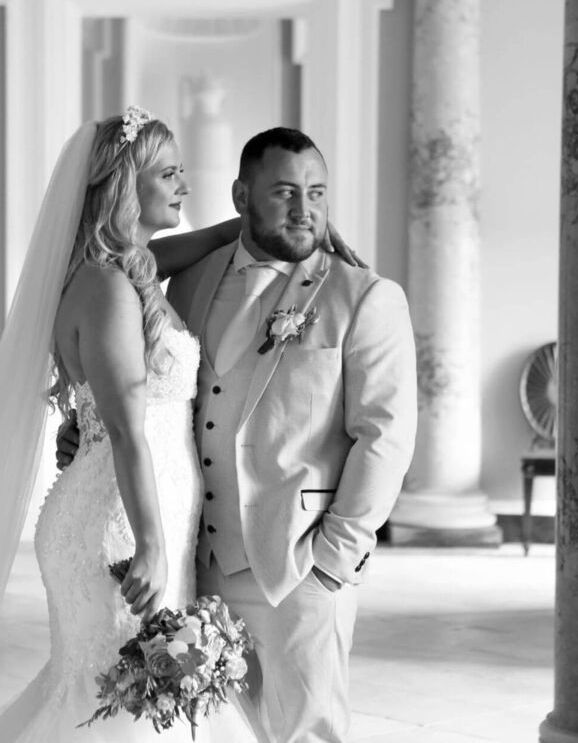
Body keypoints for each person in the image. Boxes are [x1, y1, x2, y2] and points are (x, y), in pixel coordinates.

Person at [0, 108, 256, 743]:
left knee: (112, 695)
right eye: (168, 174)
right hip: (120, 524)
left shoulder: (125, 270)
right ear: (123, 185)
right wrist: (152, 543)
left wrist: (254, 225)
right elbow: (125, 430)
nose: (183, 186)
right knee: (118, 700)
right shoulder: (109, 290)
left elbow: (178, 247)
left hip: (137, 508)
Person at [60, 127, 418, 742]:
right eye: (283, 192)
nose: (305, 210)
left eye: (317, 193)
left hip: (299, 565)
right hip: (194, 563)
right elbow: (151, 391)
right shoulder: (188, 282)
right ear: (240, 196)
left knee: (307, 732)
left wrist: (333, 561)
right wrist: (85, 430)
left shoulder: (364, 296)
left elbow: (386, 439)